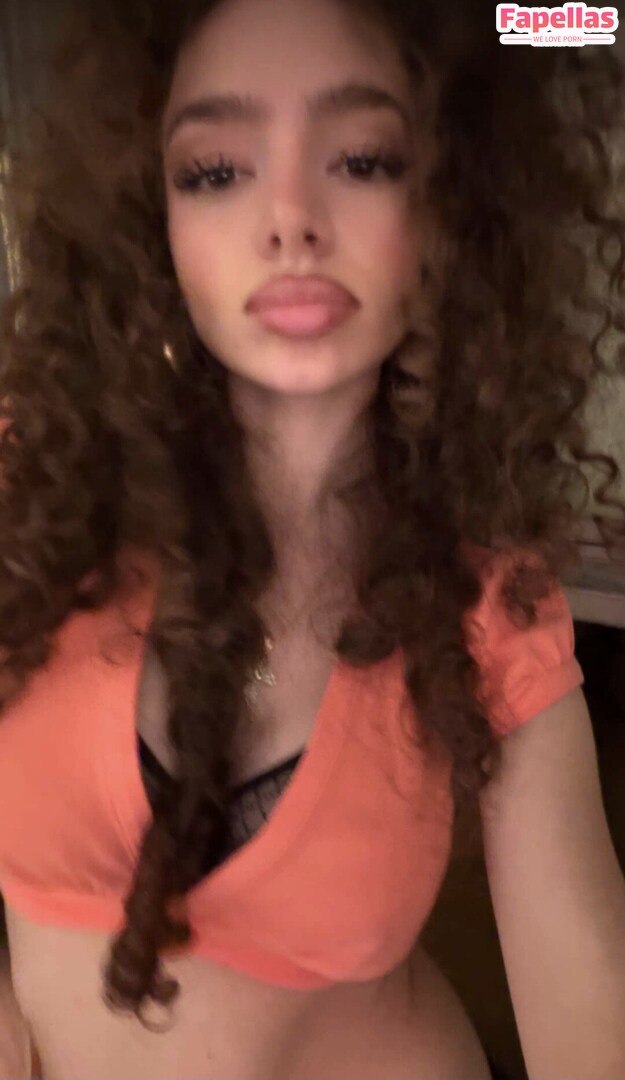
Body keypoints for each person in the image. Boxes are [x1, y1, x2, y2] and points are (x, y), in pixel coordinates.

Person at [0, 0, 624, 1076]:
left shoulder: (490, 609)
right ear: (153, 221)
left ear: (444, 215)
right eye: (216, 170)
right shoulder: (28, 480)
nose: (289, 216)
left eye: (362, 160)